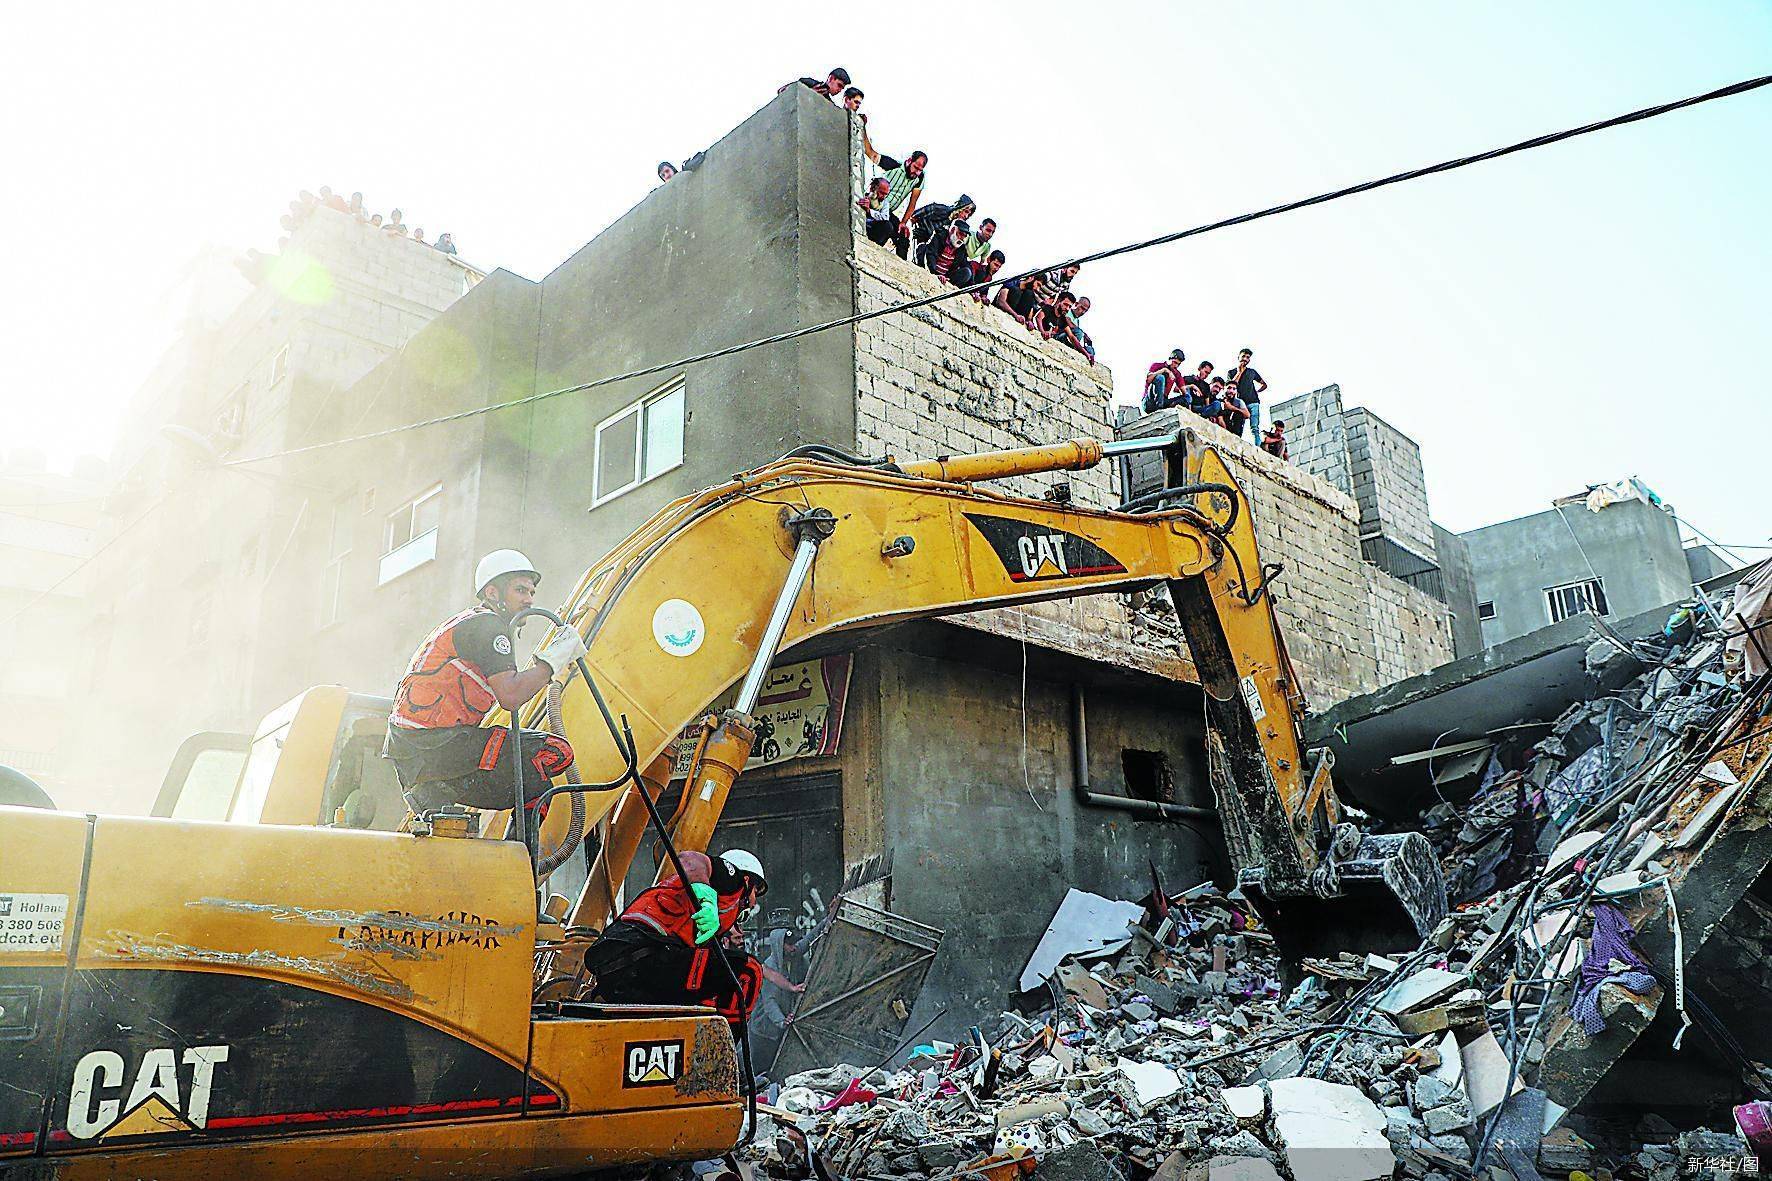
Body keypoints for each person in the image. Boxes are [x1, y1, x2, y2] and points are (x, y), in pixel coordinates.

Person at [383, 550, 587, 820]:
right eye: (520, 590)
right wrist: (553, 662)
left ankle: (438, 792)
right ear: (492, 593)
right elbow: (511, 695)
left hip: (417, 752)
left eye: (532, 592)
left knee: (535, 787)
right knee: (555, 752)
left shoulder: (472, 624)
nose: (529, 599)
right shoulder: (487, 626)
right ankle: (519, 859)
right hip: (435, 744)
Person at [582, 849, 768, 1023]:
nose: (752, 904)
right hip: (644, 951)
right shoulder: (732, 880)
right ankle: (721, 1050)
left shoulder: (706, 922)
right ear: (747, 880)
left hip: (622, 969)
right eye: (755, 892)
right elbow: (689, 858)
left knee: (706, 986)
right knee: (749, 970)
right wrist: (706, 899)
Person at [862, 149, 926, 259]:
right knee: (887, 227)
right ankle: (869, 250)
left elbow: (912, 203)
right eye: (915, 167)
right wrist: (860, 132)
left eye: (920, 170)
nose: (916, 172)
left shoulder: (920, 178)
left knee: (903, 235)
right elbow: (871, 153)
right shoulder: (893, 165)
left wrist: (903, 222)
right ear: (909, 161)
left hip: (887, 211)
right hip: (874, 203)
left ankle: (901, 267)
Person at [1226, 348, 1268, 440]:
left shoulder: (1252, 372)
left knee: (1254, 428)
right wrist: (1239, 372)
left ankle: (1257, 447)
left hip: (1253, 402)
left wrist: (1257, 391)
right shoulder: (1231, 372)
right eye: (1243, 356)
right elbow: (1232, 386)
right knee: (1238, 425)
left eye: (1248, 357)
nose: (1245, 359)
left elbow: (1264, 384)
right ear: (1238, 357)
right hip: (1240, 403)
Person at [779, 67, 851, 101]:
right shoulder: (809, 83)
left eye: (842, 88)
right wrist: (806, 93)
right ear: (831, 78)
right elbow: (782, 91)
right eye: (839, 85)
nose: (840, 90)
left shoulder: (828, 101)